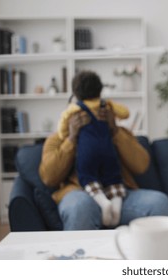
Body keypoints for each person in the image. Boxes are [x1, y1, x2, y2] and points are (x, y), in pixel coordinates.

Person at [39, 74, 168, 230]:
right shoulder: (58, 138)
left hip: (119, 194)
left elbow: (142, 165)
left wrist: (114, 130)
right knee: (80, 206)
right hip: (79, 193)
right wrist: (71, 138)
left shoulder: (118, 131)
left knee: (159, 202)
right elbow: (49, 177)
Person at [56, 70, 130, 227]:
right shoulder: (106, 105)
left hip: (87, 151)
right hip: (107, 149)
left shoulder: (75, 108)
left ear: (75, 92)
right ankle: (115, 208)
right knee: (113, 177)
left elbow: (62, 128)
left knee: (87, 176)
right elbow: (125, 113)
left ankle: (104, 203)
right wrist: (112, 114)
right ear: (100, 89)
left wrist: (66, 136)